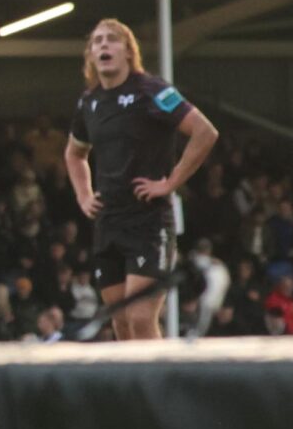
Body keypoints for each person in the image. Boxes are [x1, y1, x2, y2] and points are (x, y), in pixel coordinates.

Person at [64, 19, 218, 343]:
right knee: (119, 321)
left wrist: (170, 182)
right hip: (108, 221)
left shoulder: (152, 90)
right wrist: (83, 195)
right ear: (90, 54)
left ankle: (159, 391)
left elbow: (205, 132)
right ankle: (133, 392)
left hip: (148, 220)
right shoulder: (88, 102)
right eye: (97, 41)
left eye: (112, 40)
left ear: (128, 51)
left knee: (140, 317)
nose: (104, 46)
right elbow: (75, 154)